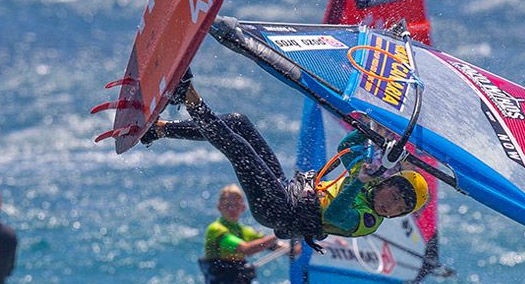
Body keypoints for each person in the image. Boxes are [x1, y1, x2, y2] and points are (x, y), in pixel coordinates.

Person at [143, 75, 430, 245]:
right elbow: (346, 146)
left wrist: (359, 180)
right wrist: (374, 131)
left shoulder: (368, 221)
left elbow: (334, 216)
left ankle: (188, 94)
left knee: (239, 149)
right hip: (286, 187)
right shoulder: (367, 177)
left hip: (280, 211)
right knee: (239, 123)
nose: (392, 206)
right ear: (387, 183)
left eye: (399, 209)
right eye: (395, 197)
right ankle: (160, 129)